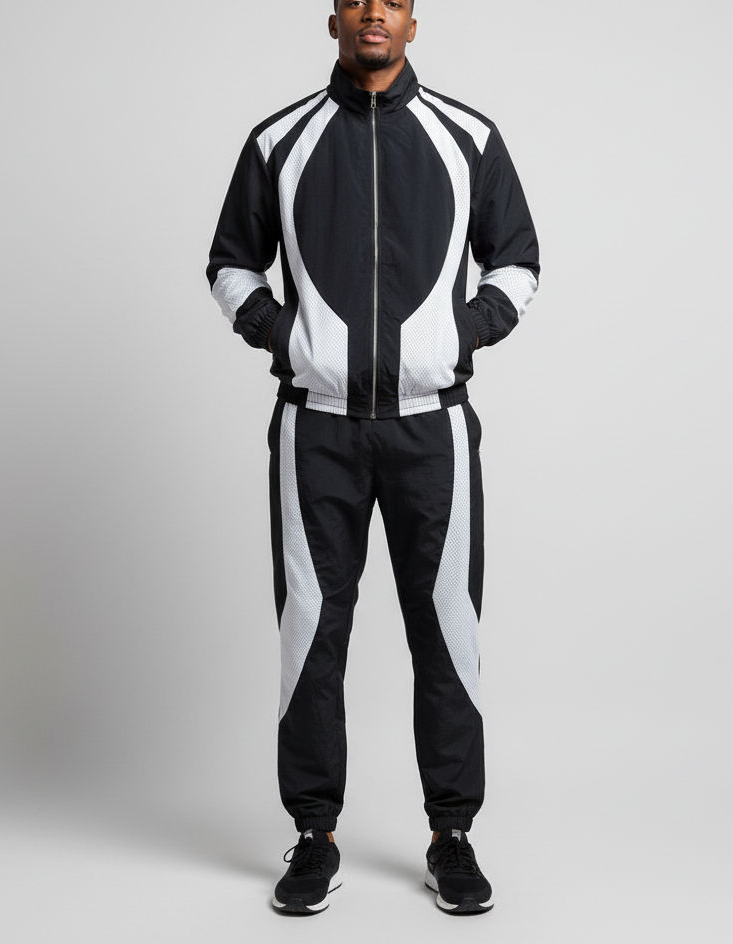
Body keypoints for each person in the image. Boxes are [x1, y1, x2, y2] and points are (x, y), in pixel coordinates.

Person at [205, 0, 540, 916]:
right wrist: (286, 338)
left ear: (413, 23)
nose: (373, 14)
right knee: (312, 630)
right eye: (356, 0)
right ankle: (314, 835)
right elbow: (231, 263)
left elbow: (517, 260)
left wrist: (462, 334)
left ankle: (452, 834)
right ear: (334, 21)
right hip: (316, 429)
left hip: (433, 429)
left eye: (390, 1)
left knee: (448, 629)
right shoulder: (280, 141)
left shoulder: (468, 138)